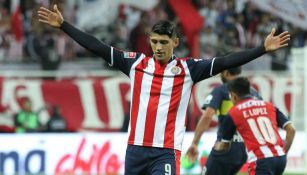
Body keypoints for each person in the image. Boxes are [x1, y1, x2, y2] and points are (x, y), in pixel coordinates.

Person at [37, 5, 290, 175]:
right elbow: (98, 47)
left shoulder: (188, 69)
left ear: (175, 43)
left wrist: (261, 49)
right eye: (154, 41)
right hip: (135, 150)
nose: (157, 46)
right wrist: (64, 26)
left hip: (166, 152)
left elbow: (226, 61)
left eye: (163, 42)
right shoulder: (135, 63)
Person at [186, 67, 262, 175]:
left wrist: (194, 143)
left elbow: (207, 116)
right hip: (244, 150)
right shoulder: (254, 93)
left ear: (225, 73)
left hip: (225, 147)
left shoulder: (222, 90)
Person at [215, 77, 295, 175]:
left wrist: (216, 149)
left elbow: (224, 145)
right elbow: (291, 130)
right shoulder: (269, 105)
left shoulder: (233, 112)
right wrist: (283, 152)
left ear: (234, 96)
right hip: (280, 159)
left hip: (261, 161)